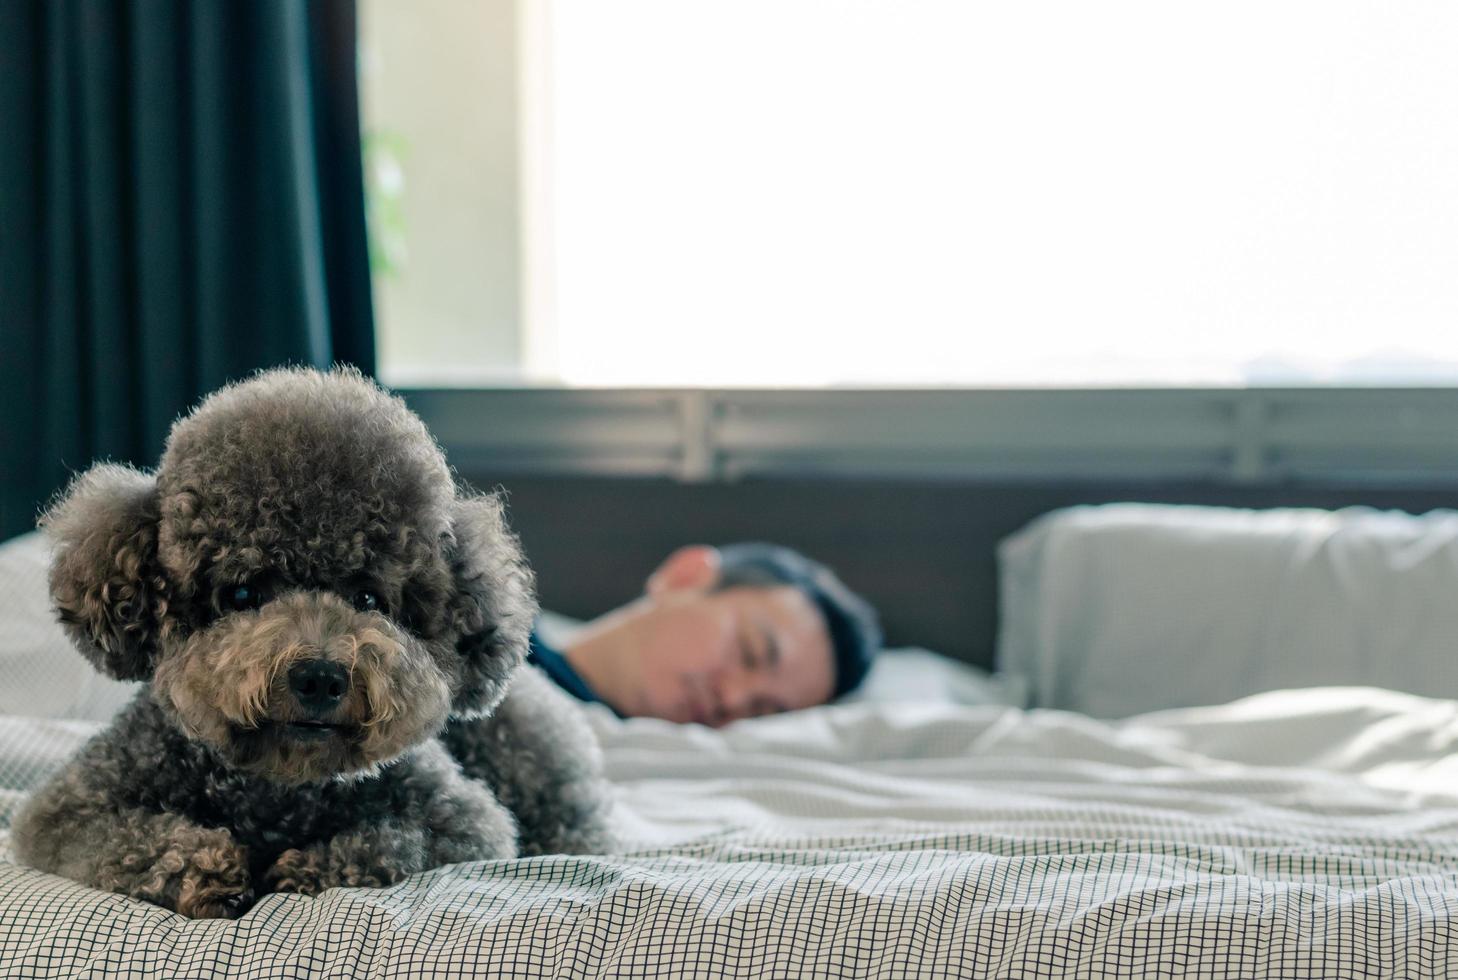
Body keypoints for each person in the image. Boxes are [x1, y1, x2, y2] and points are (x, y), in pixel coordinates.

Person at [528, 542, 881, 726]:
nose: (732, 700)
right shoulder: (491, 621)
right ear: (685, 576)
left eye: (761, 711)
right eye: (749, 653)